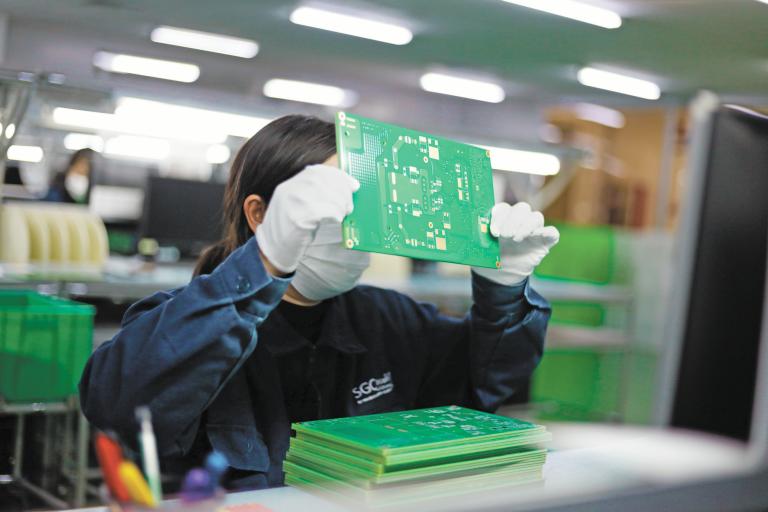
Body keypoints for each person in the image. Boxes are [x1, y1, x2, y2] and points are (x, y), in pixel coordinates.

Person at [79, 115, 560, 490]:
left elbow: (488, 385)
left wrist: (504, 292)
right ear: (260, 212)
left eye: (364, 209)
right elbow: (119, 406)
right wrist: (263, 263)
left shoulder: (390, 321)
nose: (354, 230)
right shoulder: (183, 320)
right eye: (333, 207)